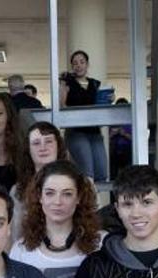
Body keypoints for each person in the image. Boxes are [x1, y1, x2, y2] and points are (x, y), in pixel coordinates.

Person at [10, 121, 71, 242]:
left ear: (58, 146)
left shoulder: (82, 184)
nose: (43, 147)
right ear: (29, 150)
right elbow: (16, 235)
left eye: (48, 141)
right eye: (36, 143)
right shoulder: (18, 191)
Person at [59, 50, 108, 181]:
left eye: (82, 62)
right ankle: (87, 200)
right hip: (76, 131)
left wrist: (109, 99)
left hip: (94, 131)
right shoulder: (67, 82)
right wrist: (63, 84)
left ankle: (92, 199)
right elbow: (62, 105)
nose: (78, 65)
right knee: (88, 172)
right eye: (75, 63)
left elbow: (100, 106)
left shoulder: (95, 84)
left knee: (102, 173)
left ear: (87, 65)